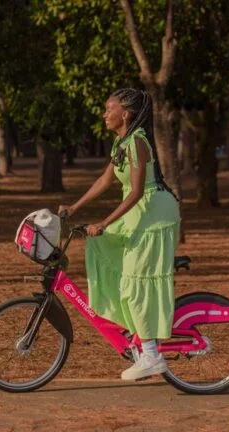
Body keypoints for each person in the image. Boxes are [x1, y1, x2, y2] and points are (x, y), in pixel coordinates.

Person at [58, 88, 181, 381]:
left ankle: (152, 355)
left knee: (134, 284)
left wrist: (103, 221)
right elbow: (105, 179)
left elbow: (137, 191)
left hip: (153, 215)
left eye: (108, 108)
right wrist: (74, 207)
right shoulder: (121, 142)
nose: (104, 114)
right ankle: (137, 338)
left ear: (124, 114)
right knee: (102, 251)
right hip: (138, 214)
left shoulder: (137, 143)